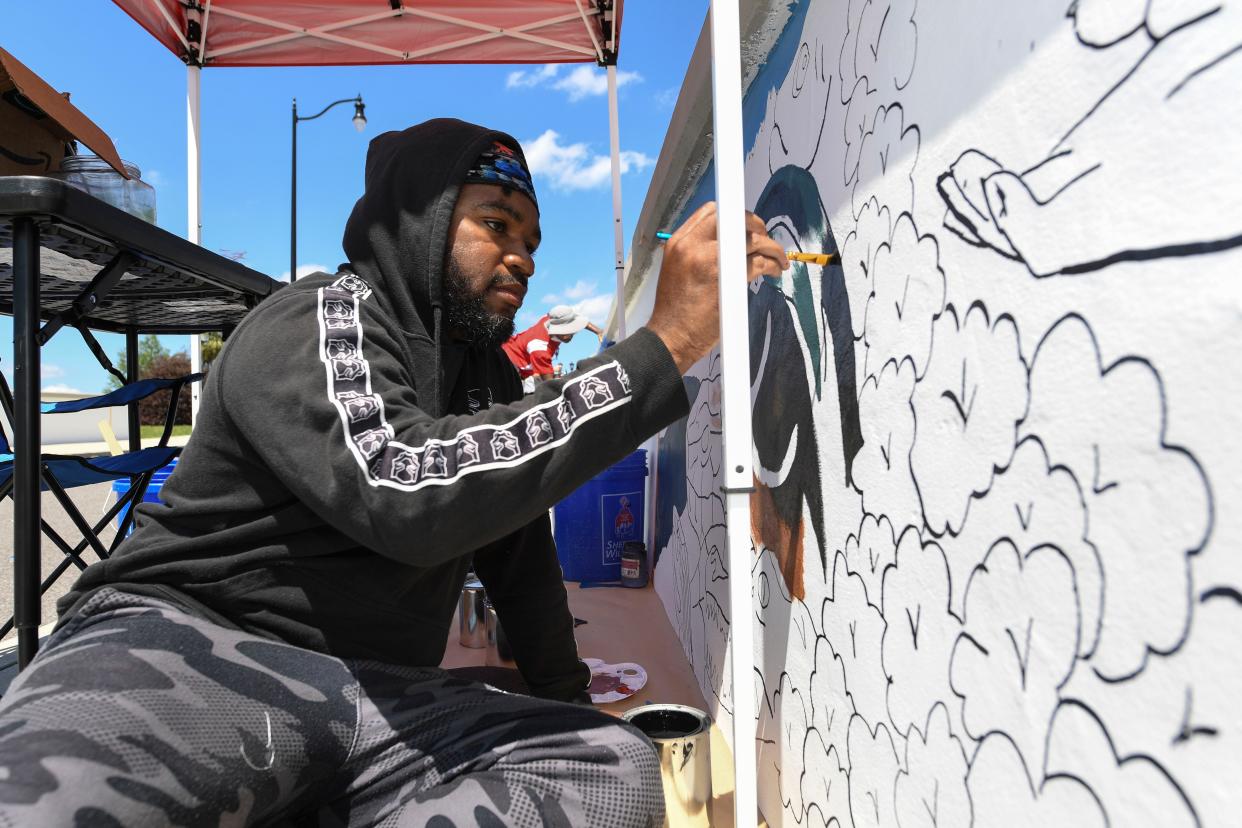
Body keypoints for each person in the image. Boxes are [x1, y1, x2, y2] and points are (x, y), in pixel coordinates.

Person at [0, 118, 786, 826]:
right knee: (43, 800)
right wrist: (661, 347)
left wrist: (566, 701)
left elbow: (519, 558)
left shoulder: (487, 378)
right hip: (189, 651)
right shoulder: (317, 320)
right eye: (496, 224)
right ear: (420, 224)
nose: (521, 257)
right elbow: (407, 493)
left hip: (377, 700)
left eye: (532, 242)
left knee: (609, 769)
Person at [502, 304, 604, 393]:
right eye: (570, 330)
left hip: (519, 351)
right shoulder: (540, 348)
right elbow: (550, 385)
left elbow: (578, 320)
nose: (573, 333)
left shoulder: (552, 318)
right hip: (509, 362)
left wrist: (599, 331)